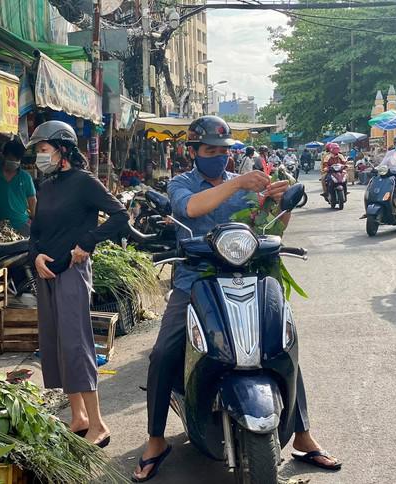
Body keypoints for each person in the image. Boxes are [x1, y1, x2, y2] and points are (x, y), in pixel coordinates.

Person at [132, 115, 342, 482]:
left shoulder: (242, 183)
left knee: (280, 345)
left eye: (222, 151)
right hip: (194, 282)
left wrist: (279, 204)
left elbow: (270, 227)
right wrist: (241, 184)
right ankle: (154, 440)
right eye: (209, 150)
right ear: (193, 151)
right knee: (164, 352)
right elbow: (191, 209)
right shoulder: (182, 184)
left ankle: (303, 435)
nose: (217, 157)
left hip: (247, 278)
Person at [28, 120, 128, 447]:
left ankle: (98, 423)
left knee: (77, 343)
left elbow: (119, 216)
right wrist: (37, 257)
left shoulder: (84, 183)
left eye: (43, 150)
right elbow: (37, 232)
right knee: (55, 342)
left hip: (72, 272)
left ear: (62, 150)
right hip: (47, 274)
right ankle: (78, 416)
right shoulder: (46, 186)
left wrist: (87, 242)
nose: (40, 158)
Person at [0, 140, 37, 236]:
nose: (14, 162)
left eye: (17, 159)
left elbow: (32, 200)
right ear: (4, 156)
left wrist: (35, 220)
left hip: (22, 224)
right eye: (11, 158)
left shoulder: (25, 177)